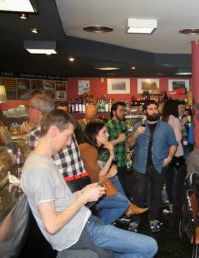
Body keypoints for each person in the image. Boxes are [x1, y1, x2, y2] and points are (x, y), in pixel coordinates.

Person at [21, 109, 158, 257]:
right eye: (67, 136)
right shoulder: (40, 169)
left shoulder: (44, 161)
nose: (68, 143)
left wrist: (82, 192)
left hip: (84, 222)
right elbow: (52, 225)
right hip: (79, 231)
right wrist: (83, 198)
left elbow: (58, 203)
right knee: (150, 247)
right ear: (54, 131)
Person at [80, 120, 148, 224]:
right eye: (104, 132)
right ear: (95, 134)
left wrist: (111, 155)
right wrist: (109, 175)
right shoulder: (89, 150)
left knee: (116, 183)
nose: (108, 135)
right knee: (123, 202)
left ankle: (102, 223)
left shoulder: (89, 147)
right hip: (87, 196)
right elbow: (96, 181)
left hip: (88, 193)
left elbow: (100, 174)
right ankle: (101, 225)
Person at [127, 100, 177, 232]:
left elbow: (173, 143)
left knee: (156, 194)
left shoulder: (165, 127)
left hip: (159, 166)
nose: (154, 111)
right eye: (150, 109)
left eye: (155, 108)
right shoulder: (138, 125)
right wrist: (136, 133)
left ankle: (153, 219)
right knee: (139, 195)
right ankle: (134, 220)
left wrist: (169, 158)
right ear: (145, 111)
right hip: (140, 167)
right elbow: (129, 144)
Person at [27, 93, 91, 193]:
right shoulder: (65, 125)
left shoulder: (35, 133)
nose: (28, 111)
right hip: (83, 180)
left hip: (64, 185)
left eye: (29, 107)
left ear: (37, 109)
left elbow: (37, 165)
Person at [160, 99, 185, 212]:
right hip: (177, 153)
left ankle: (170, 203)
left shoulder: (163, 119)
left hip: (165, 153)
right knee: (179, 181)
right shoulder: (175, 120)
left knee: (168, 180)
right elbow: (178, 138)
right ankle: (177, 205)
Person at [106, 101, 130, 195]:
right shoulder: (107, 125)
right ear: (113, 112)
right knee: (117, 191)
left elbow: (126, 142)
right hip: (113, 163)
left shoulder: (124, 125)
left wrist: (127, 151)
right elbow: (104, 145)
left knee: (123, 188)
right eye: (121, 110)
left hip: (123, 162)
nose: (123, 112)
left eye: (124, 110)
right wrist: (118, 140)